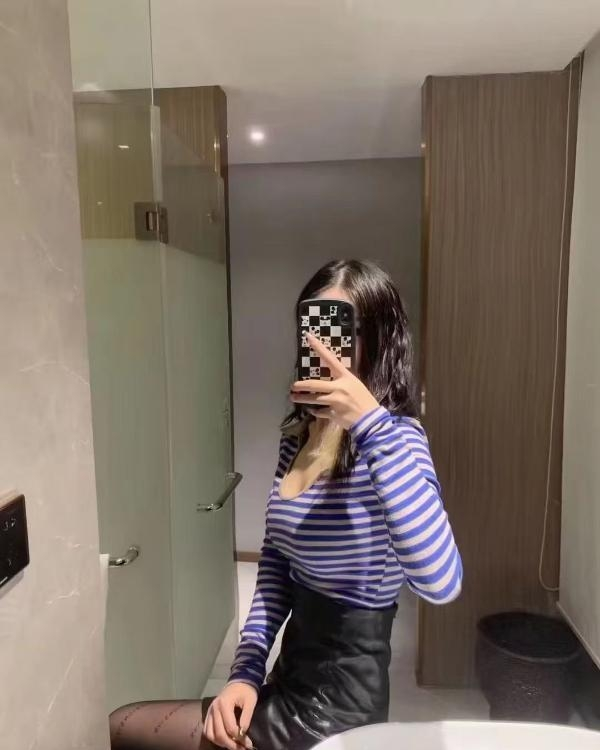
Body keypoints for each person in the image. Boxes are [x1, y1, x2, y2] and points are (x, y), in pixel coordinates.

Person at [109, 259, 462, 750]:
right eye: (312, 329)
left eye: (341, 331)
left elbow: (441, 583)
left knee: (124, 728)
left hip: (337, 707)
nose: (321, 347)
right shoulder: (298, 433)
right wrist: (245, 672)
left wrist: (370, 423)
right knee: (129, 726)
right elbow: (276, 563)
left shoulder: (396, 440)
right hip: (286, 675)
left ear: (379, 340)